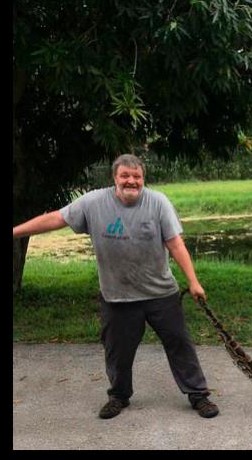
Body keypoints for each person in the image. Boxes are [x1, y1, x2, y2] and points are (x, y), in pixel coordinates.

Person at [13, 154, 219, 419]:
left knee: (180, 344)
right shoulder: (93, 202)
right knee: (117, 352)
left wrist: (193, 282)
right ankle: (119, 396)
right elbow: (55, 218)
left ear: (143, 179)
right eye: (125, 176)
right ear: (115, 178)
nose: (131, 181)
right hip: (117, 296)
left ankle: (198, 395)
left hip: (160, 294)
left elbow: (175, 244)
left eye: (137, 177)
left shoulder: (158, 203)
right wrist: (15, 232)